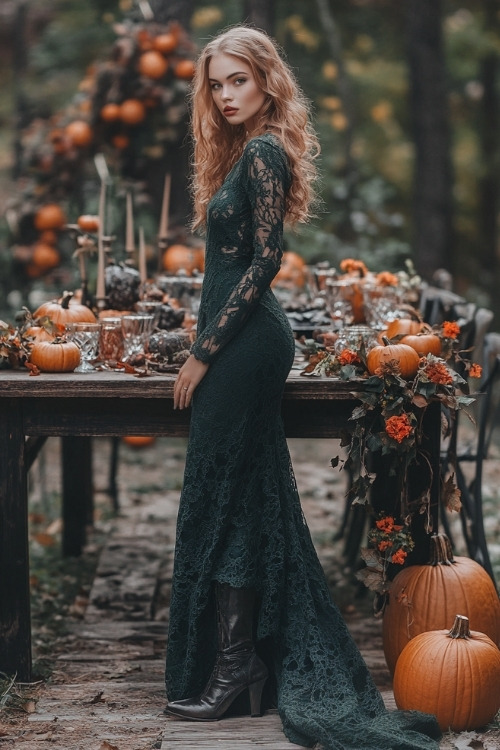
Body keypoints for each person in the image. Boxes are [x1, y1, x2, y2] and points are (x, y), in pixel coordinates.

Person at [164, 25, 441, 750]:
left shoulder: (262, 150)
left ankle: (233, 672)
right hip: (244, 341)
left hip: (247, 346)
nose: (226, 96)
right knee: (243, 495)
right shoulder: (244, 149)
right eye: (217, 84)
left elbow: (263, 265)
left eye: (239, 82)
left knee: (221, 495)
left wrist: (202, 354)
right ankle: (240, 667)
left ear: (266, 81)